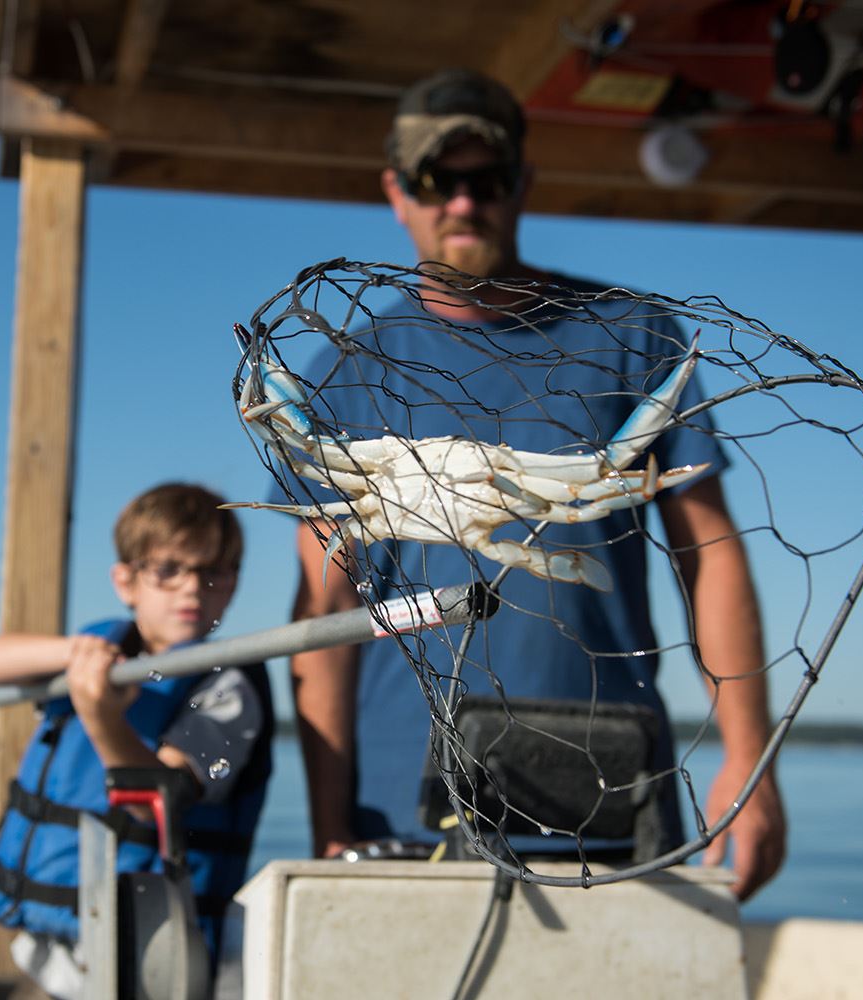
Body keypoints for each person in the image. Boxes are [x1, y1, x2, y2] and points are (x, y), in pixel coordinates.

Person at [282, 69, 785, 901]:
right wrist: (326, 821)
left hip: (606, 785)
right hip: (398, 811)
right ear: (397, 193)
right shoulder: (341, 373)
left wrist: (749, 757)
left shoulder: (633, 336)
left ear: (523, 185)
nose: (463, 203)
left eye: (488, 180)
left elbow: (711, 549)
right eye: (436, 181)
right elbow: (323, 608)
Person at [0, 482, 273, 997]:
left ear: (234, 581)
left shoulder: (229, 683)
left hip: (154, 945)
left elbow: (162, 804)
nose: (192, 588)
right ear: (126, 582)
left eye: (213, 571)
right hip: (57, 932)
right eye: (168, 570)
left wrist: (101, 718)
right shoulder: (97, 643)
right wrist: (76, 655)